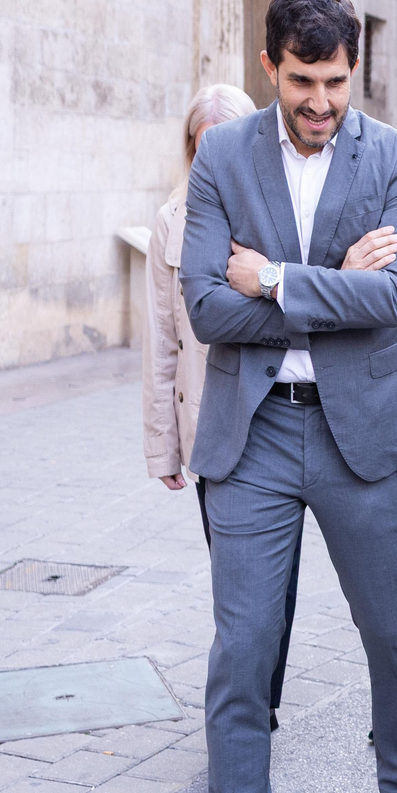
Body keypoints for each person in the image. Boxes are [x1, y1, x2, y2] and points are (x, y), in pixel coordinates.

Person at [179, 0, 397, 793]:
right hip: (251, 436)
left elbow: (391, 297)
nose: (318, 101)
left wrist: (277, 279)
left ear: (352, 71)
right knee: (240, 658)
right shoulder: (222, 155)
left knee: (393, 633)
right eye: (300, 81)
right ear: (269, 65)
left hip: (358, 434)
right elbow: (203, 306)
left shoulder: (394, 156)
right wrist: (330, 283)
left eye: (334, 82)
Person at [146, 84, 305, 733]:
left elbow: (306, 308)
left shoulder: (282, 210)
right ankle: (246, 689)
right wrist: (164, 445)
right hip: (208, 423)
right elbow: (162, 335)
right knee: (233, 570)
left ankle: (259, 692)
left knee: (279, 569)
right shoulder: (171, 220)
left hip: (275, 412)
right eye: (199, 148)